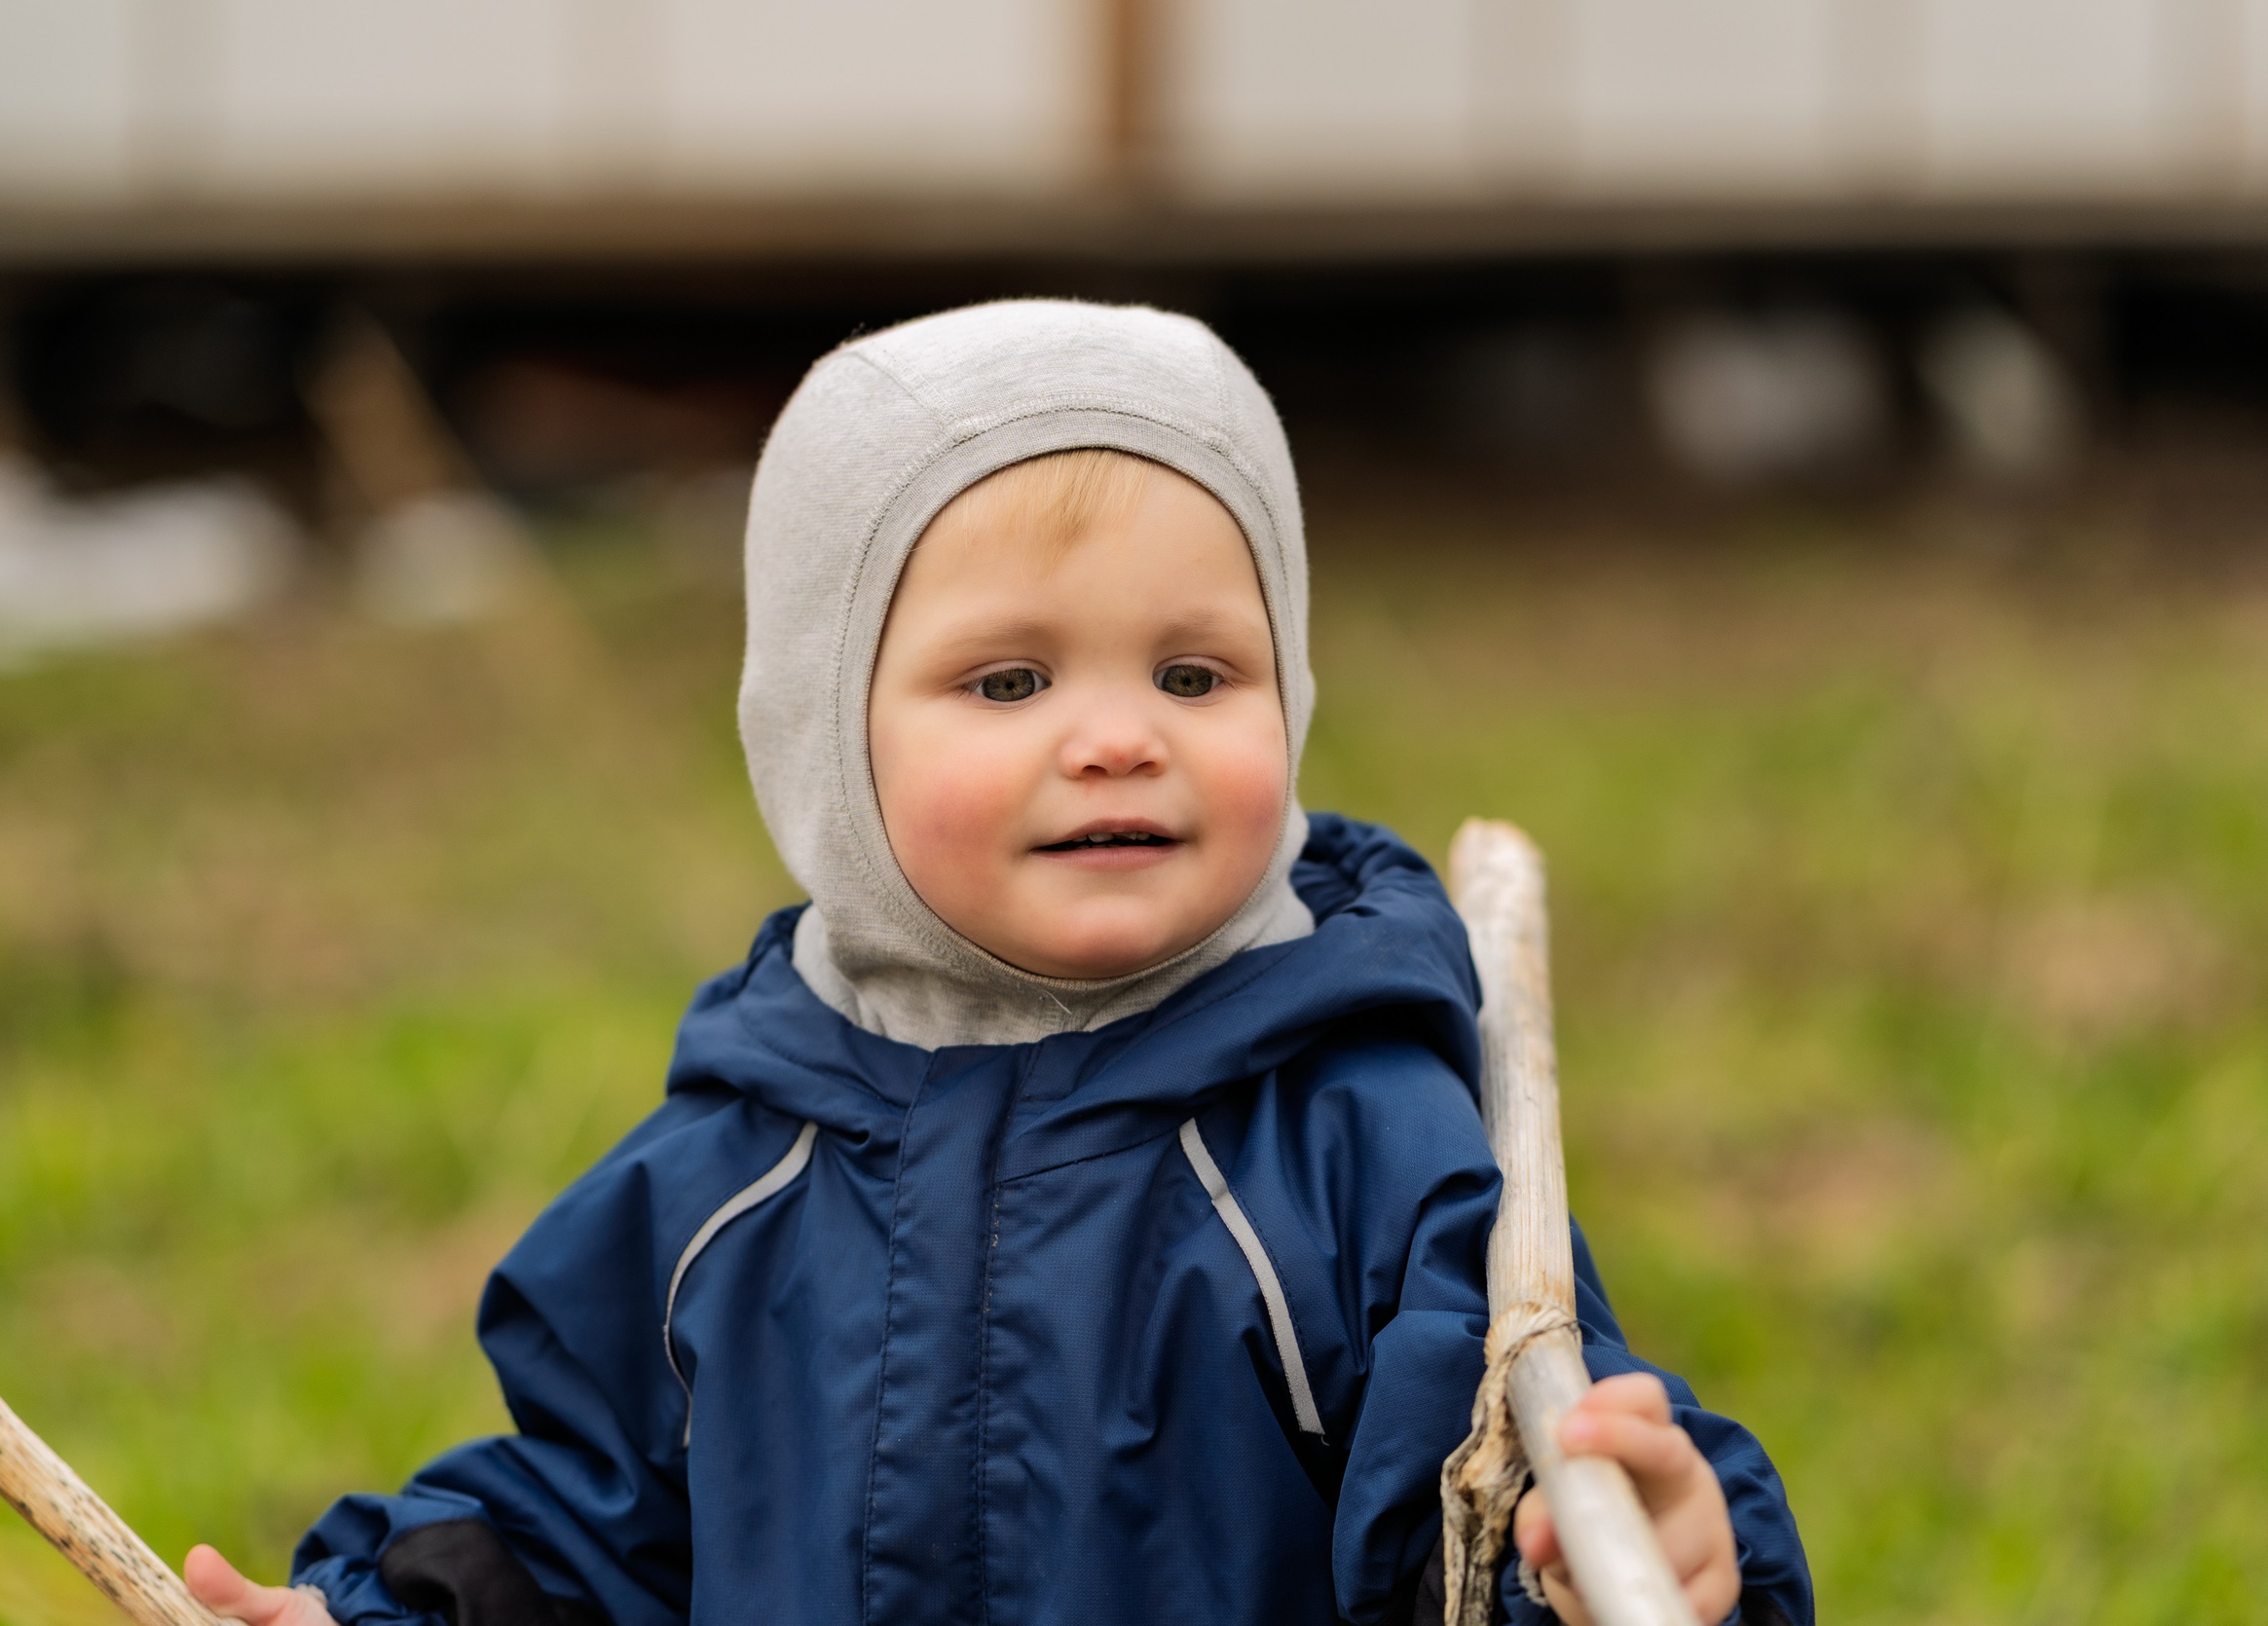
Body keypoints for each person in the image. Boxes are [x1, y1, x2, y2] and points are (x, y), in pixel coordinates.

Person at [183, 300, 1813, 1626]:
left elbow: (1490, 1514)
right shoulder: (725, 1176)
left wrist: (1636, 1560)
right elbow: (587, 1533)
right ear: (827, 737)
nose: (1117, 738)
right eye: (1011, 679)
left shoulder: (1370, 1141)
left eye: (1193, 669)